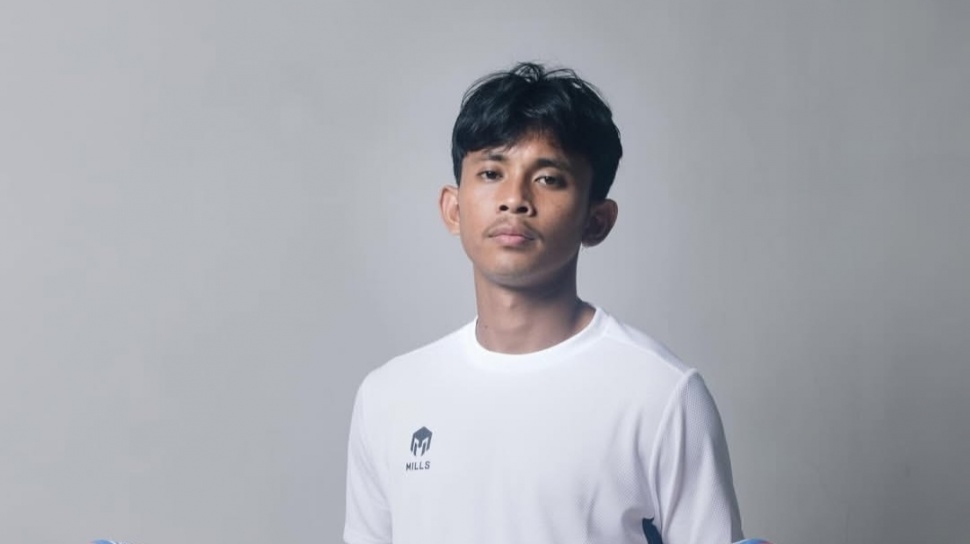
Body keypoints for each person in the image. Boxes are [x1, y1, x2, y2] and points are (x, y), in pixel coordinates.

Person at [344, 62, 744, 544]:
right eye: (491, 172)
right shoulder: (388, 397)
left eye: (549, 178)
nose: (514, 199)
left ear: (597, 221)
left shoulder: (662, 395)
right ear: (453, 208)